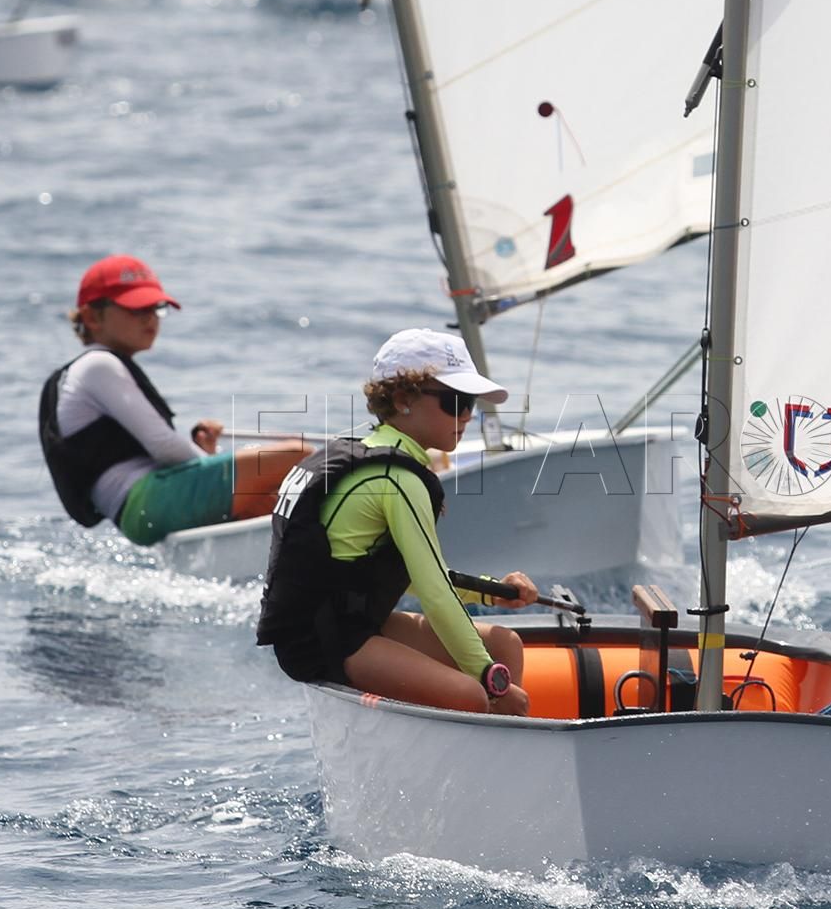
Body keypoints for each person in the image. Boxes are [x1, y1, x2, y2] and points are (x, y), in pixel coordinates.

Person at [257, 327, 536, 716]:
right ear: (404, 399)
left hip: (354, 617)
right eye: (455, 402)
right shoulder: (396, 478)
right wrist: (491, 679)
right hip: (325, 636)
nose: (468, 416)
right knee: (473, 693)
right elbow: (434, 591)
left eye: (471, 403)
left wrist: (493, 592)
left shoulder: (369, 454)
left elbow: (400, 572)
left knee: (505, 643)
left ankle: (501, 752)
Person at [39, 254, 312, 546]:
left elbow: (155, 454)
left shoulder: (95, 370)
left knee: (264, 502)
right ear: (93, 317)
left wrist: (202, 454)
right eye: (135, 308)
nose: (150, 318)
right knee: (299, 455)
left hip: (140, 511)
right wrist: (208, 464)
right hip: (146, 500)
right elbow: (165, 447)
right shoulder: (98, 366)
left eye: (156, 308)